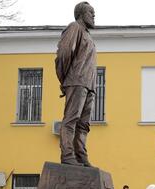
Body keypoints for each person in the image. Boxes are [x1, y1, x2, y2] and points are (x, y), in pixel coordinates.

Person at [55, 2, 97, 167]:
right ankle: (67, 155)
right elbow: (63, 54)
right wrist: (65, 79)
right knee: (71, 119)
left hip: (89, 85)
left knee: (84, 125)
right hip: (76, 81)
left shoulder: (89, 36)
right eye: (90, 12)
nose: (94, 15)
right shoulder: (74, 28)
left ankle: (81, 156)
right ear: (81, 14)